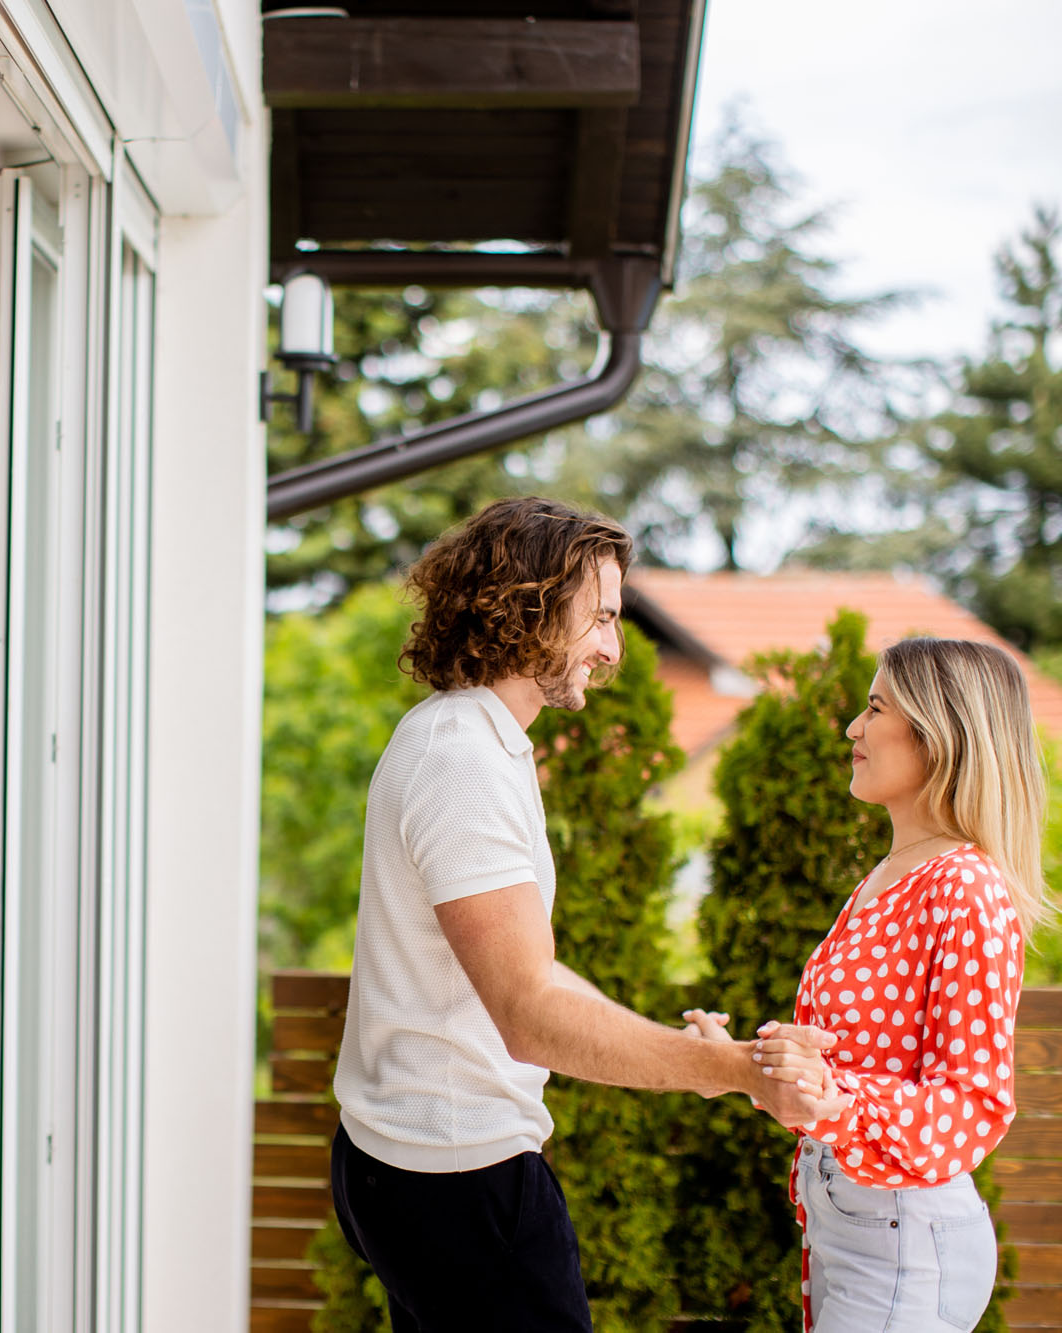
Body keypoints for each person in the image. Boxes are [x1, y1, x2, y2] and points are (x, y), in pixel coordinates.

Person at [329, 497, 832, 1333]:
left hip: (417, 1168)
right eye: (599, 615)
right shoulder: (462, 762)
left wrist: (699, 1055)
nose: (613, 647)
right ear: (527, 602)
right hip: (460, 1182)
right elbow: (528, 1013)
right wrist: (739, 1072)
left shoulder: (467, 740)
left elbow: (524, 968)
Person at [686, 636, 1054, 1332]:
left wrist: (833, 1097)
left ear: (939, 730)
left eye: (875, 706)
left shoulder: (965, 886)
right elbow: (846, 1076)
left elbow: (973, 1102)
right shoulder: (890, 877)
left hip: (904, 1244)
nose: (854, 727)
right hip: (855, 1230)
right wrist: (739, 1062)